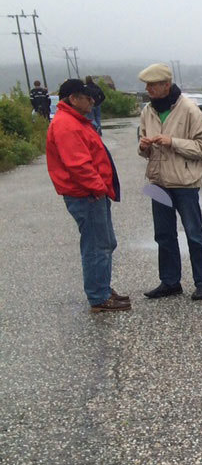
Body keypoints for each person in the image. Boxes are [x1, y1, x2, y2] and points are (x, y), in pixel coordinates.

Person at [45, 78, 128, 312]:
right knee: (97, 246)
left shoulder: (74, 121)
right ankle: (99, 297)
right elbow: (78, 165)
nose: (92, 101)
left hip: (90, 194)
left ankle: (102, 289)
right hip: (87, 195)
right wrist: (98, 188)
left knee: (105, 243)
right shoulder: (67, 125)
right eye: (87, 97)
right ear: (73, 99)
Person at [136, 62, 202, 300]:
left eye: (152, 85)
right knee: (163, 235)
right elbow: (143, 148)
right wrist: (143, 147)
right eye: (147, 85)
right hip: (157, 183)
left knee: (193, 234)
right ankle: (170, 282)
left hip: (184, 184)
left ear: (166, 85)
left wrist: (173, 142)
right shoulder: (147, 111)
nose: (148, 89)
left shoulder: (189, 109)